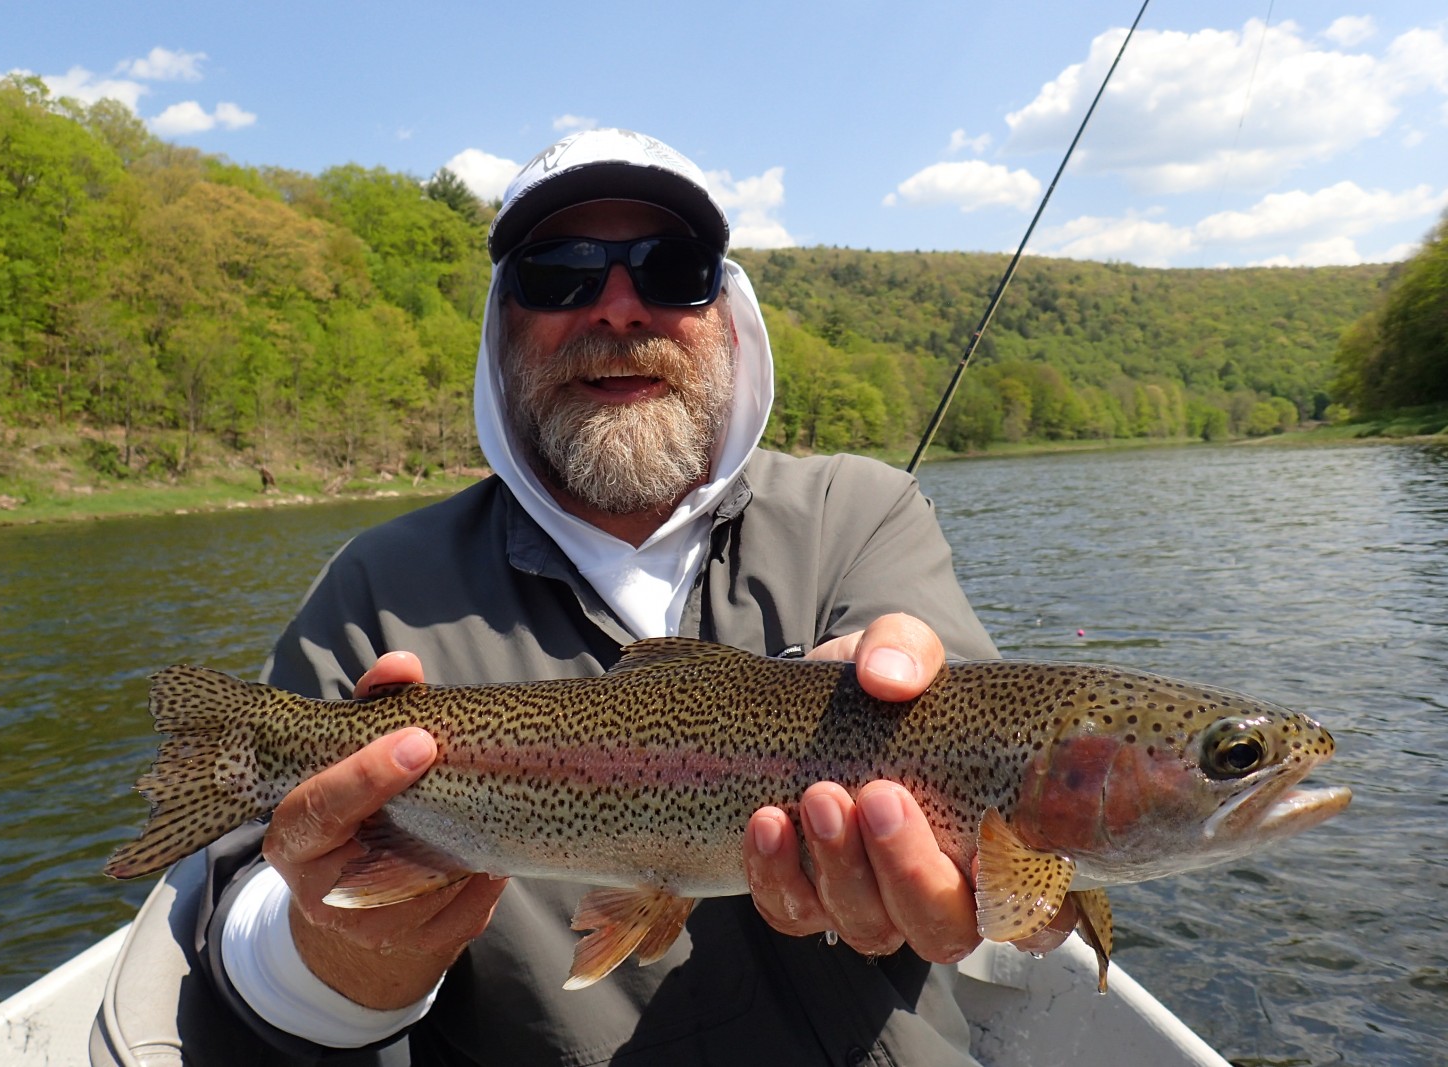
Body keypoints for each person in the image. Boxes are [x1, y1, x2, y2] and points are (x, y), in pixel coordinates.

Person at [193, 127, 1074, 1065]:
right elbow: (241, 953)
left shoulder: (857, 512)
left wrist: (1017, 888)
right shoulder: (376, 588)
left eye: (672, 267)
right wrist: (341, 946)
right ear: (501, 328)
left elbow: (1010, 770)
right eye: (561, 272)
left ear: (729, 315)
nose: (618, 308)